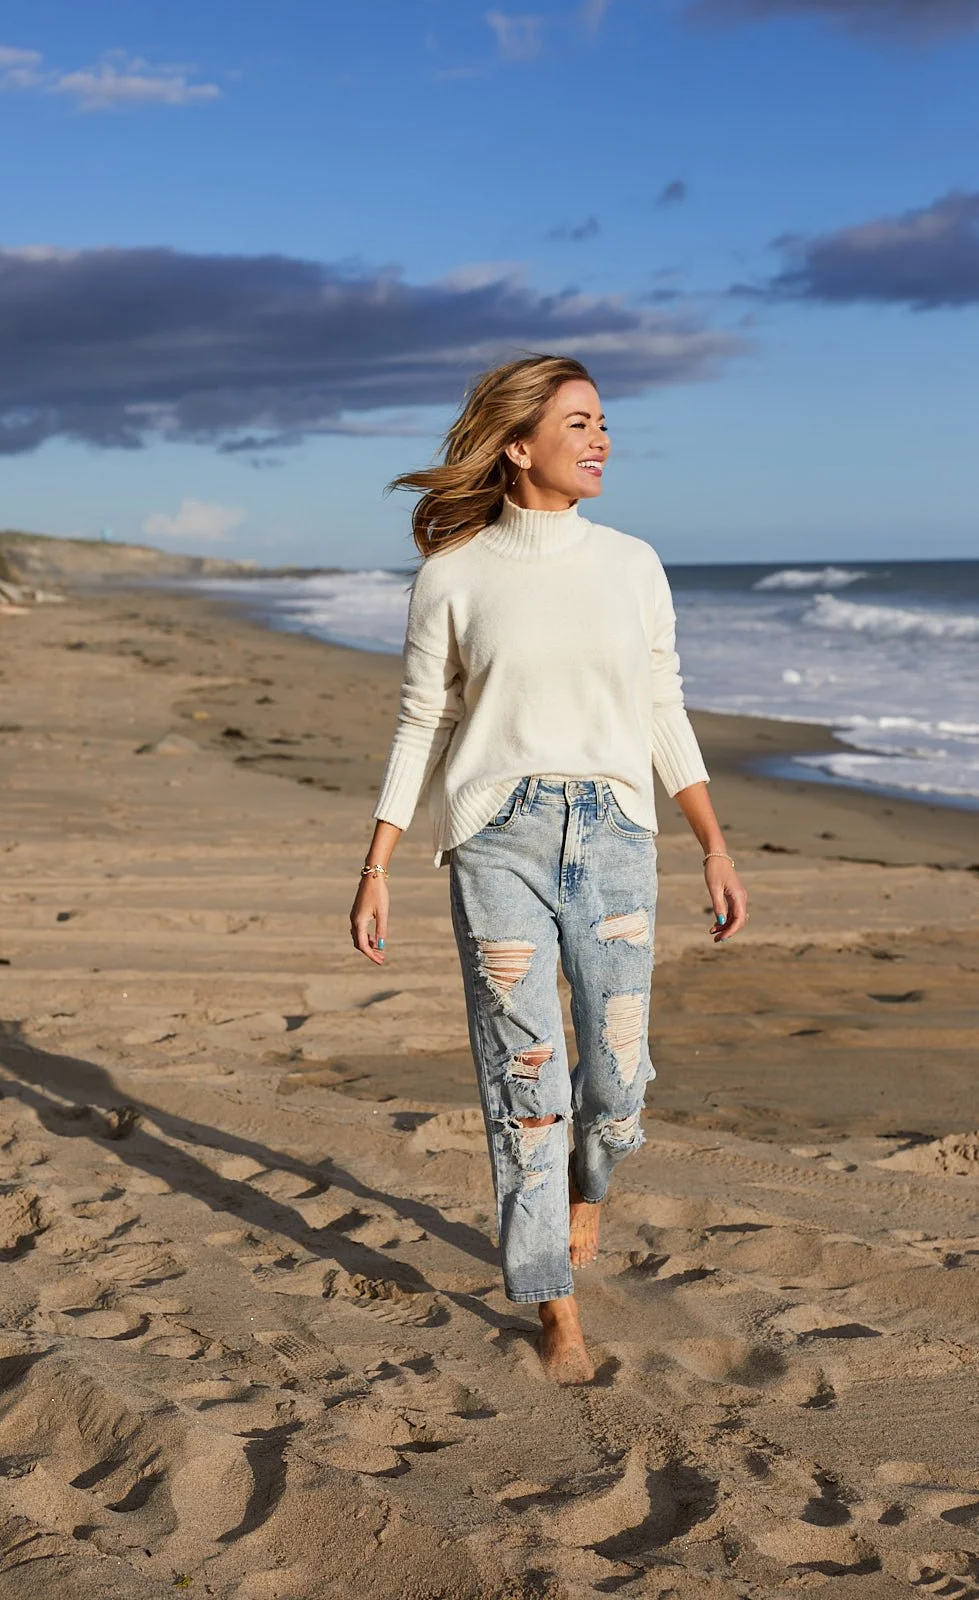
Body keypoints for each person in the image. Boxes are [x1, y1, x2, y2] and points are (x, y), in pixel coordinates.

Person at [349, 354, 748, 1383]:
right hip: (496, 840)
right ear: (518, 444)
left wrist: (711, 841)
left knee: (615, 1082)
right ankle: (552, 1308)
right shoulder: (452, 577)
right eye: (579, 422)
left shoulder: (632, 564)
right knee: (525, 1082)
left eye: (603, 420)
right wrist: (380, 859)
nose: (601, 437)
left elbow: (662, 708)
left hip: (615, 834)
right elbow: (420, 723)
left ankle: (589, 1183)